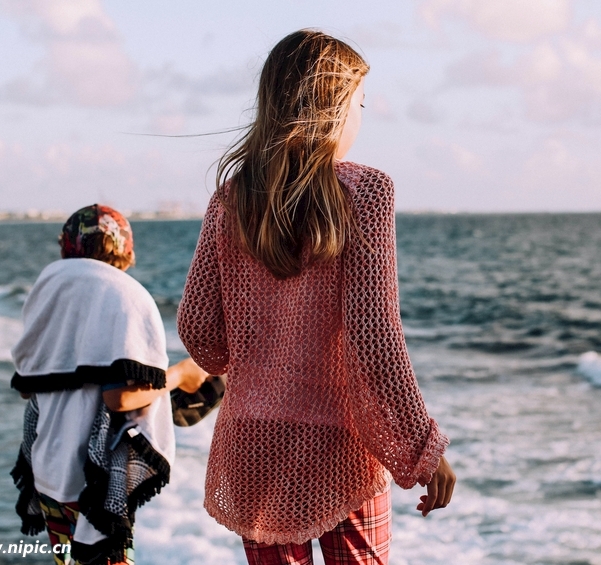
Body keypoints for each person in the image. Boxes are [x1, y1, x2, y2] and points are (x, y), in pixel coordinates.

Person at [177, 30, 456, 565]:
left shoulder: (230, 199)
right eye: (360, 103)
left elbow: (201, 336)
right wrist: (423, 449)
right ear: (331, 109)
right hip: (340, 446)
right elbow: (376, 343)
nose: (361, 117)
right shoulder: (364, 193)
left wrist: (260, 345)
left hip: (252, 441)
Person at [10, 204, 206, 565]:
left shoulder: (47, 292)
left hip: (48, 470)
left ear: (67, 246)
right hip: (92, 482)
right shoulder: (124, 294)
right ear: (126, 250)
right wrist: (182, 374)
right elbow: (121, 399)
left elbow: (29, 386)